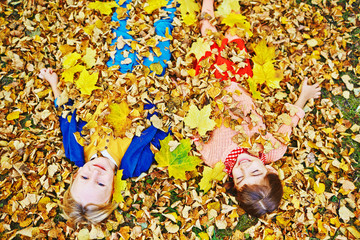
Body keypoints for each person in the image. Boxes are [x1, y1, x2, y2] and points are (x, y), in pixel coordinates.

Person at [193, 0, 321, 217]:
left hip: (212, 81)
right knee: (235, 35)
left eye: (240, 178)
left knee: (208, 37)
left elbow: (195, 131)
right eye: (255, 171)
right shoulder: (271, 149)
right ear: (269, 170)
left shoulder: (213, 158)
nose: (243, 168)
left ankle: (207, 4)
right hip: (241, 81)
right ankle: (230, 7)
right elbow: (288, 122)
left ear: (234, 184)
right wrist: (303, 97)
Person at [39, 68, 168, 224]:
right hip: (148, 83)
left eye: (85, 177)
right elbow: (161, 134)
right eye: (101, 184)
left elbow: (65, 114)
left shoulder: (74, 149)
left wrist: (54, 83)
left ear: (76, 174)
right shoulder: (136, 165)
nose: (95, 173)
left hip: (113, 73)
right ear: (113, 189)